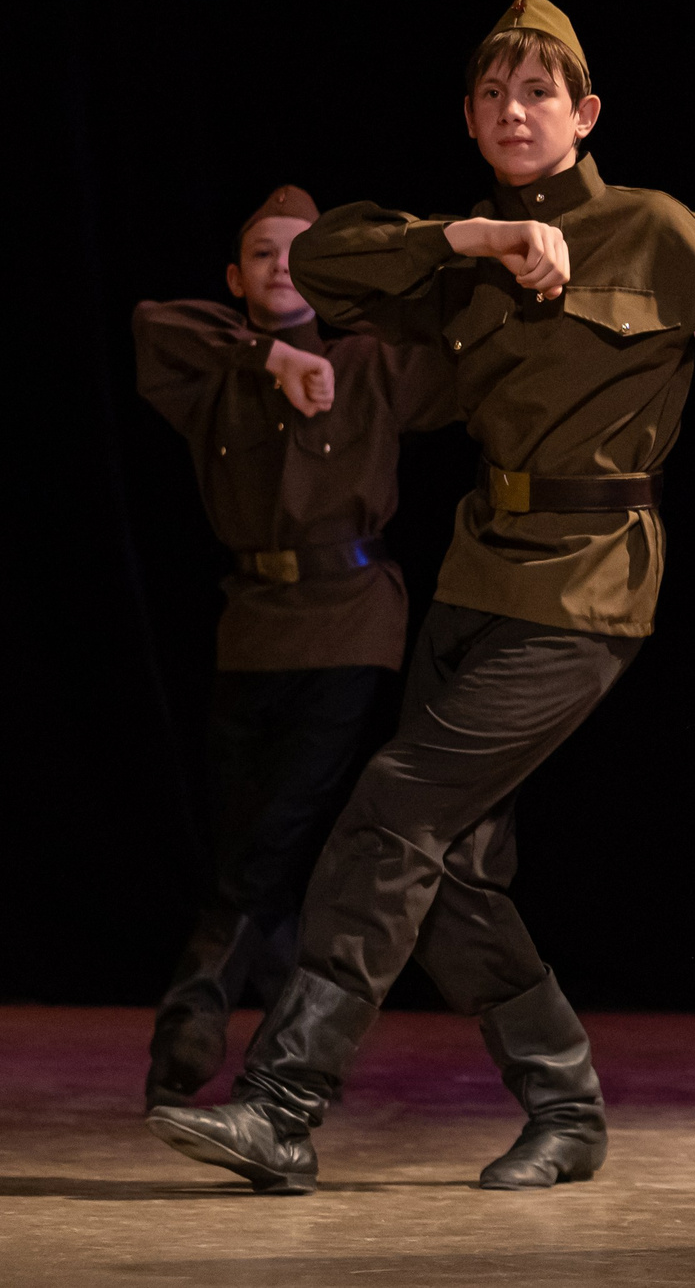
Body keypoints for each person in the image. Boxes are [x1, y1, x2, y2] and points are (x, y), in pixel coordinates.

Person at [146, 0, 695, 1195]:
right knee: (449, 875)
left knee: (395, 809)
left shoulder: (655, 231)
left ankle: (283, 1104)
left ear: (585, 113)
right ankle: (563, 1100)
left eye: (537, 92)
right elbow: (321, 258)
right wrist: (471, 240)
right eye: (492, 95)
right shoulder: (462, 250)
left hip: (590, 588)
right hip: (477, 571)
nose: (513, 112)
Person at [132, 185, 454, 1110]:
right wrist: (265, 355)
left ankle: (190, 1021)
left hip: (351, 616)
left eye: (299, 254)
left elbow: (465, 361)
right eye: (264, 255)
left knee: (273, 834)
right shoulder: (213, 368)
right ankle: (290, 1050)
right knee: (250, 840)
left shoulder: (370, 361)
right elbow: (152, 323)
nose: (281, 267)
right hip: (250, 623)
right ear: (235, 278)